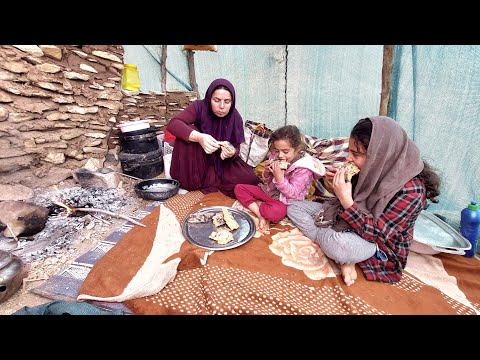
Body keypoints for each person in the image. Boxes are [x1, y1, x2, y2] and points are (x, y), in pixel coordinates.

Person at [287, 116, 440, 286]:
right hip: (346, 220)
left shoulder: (412, 192)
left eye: (356, 154)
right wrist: (333, 187)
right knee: (294, 207)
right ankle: (335, 248)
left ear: (380, 156)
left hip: (378, 243)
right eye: (349, 151)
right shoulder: (372, 167)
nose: (348, 159)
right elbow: (354, 199)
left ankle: (341, 251)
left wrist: (347, 202)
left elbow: (378, 234)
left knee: (339, 245)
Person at [166, 78, 260, 198]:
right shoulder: (199, 107)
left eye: (227, 102)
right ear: (209, 98)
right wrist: (199, 137)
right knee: (187, 131)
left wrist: (231, 152)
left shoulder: (235, 117)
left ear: (232, 102)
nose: (221, 106)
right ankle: (190, 181)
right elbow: (174, 124)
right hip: (197, 159)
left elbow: (236, 148)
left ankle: (208, 180)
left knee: (250, 178)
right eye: (216, 100)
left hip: (221, 162)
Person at [234, 125, 326, 231]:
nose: (280, 155)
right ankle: (260, 214)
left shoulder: (304, 169)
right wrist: (268, 173)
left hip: (286, 201)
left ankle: (261, 206)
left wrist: (280, 178)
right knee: (239, 188)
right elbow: (266, 181)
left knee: (275, 214)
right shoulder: (275, 156)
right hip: (269, 193)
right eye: (277, 150)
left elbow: (293, 194)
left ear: (297, 149)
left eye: (285, 152)